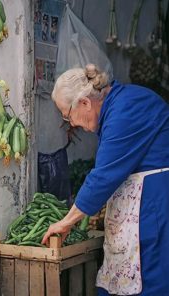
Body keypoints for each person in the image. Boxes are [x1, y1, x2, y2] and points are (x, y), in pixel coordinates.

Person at [41, 64, 169, 296]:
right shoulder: (119, 105)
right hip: (140, 207)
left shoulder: (126, 108)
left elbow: (102, 177)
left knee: (150, 280)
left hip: (153, 207)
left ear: (85, 103)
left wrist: (66, 222)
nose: (72, 124)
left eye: (67, 115)